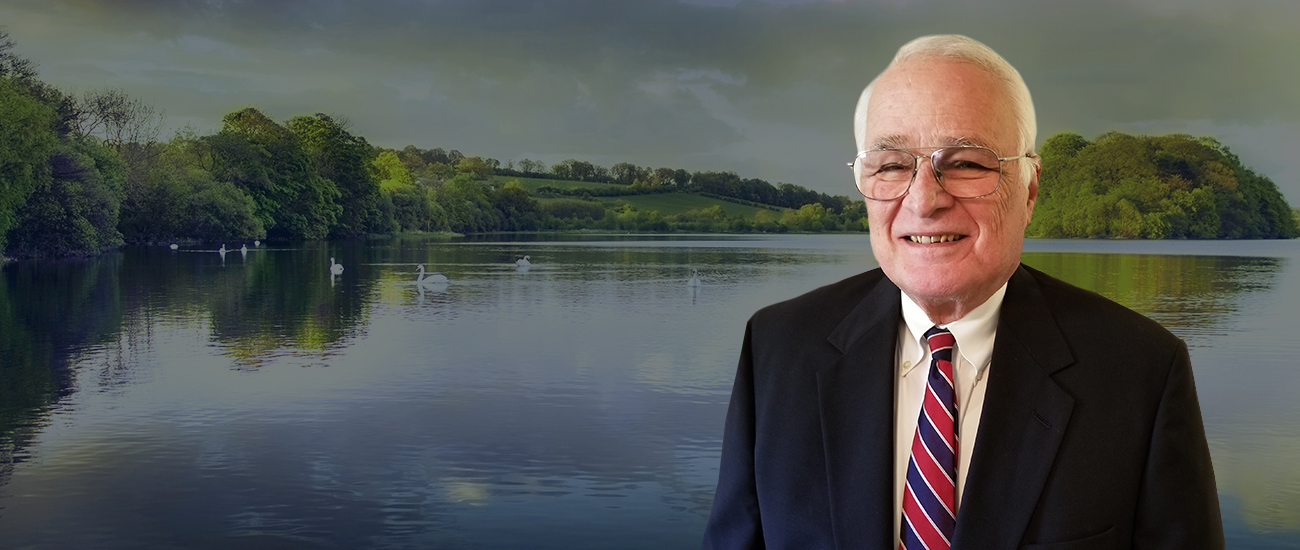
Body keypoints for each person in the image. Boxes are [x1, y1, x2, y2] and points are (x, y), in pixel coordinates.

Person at [702, 35, 1223, 549]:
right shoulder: (778, 347)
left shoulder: (1142, 371)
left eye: (967, 163)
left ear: (1030, 190)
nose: (924, 201)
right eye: (891, 166)